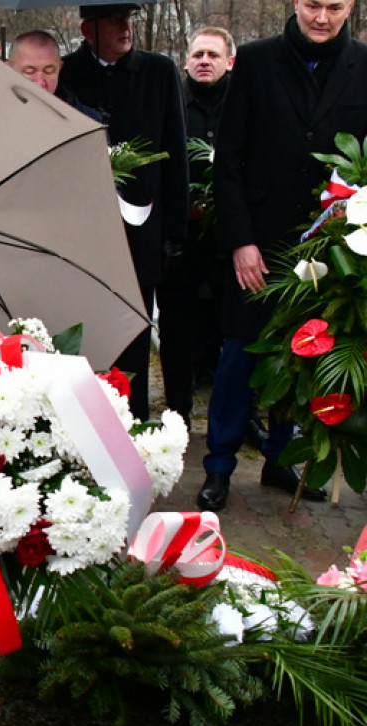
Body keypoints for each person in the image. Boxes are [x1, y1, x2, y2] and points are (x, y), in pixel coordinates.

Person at [197, 0, 367, 510]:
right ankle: (219, 467)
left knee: (305, 354)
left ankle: (279, 458)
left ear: (351, 6)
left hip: (327, 245)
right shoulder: (255, 59)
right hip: (259, 241)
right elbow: (228, 157)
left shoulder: (363, 65)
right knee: (236, 356)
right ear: (296, 2)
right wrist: (240, 242)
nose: (322, 17)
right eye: (313, 4)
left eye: (334, 6)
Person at [60, 3, 188, 421]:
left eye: (128, 19)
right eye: (113, 20)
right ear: (87, 28)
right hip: (82, 231)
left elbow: (176, 151)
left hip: (142, 228)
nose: (124, 27)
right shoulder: (67, 74)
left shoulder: (158, 71)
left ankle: (133, 420)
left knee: (134, 327)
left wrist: (175, 231)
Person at [158, 27, 235, 430]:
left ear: (229, 62)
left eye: (213, 55)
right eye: (198, 54)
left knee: (231, 328)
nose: (204, 61)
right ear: (186, 60)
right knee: (175, 328)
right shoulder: (173, 100)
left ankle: (236, 415)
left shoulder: (242, 102)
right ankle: (178, 410)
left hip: (228, 238)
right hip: (183, 235)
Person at [7, 30, 102, 120]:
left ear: (59, 68)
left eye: (49, 71)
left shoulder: (86, 121)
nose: (40, 82)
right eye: (30, 71)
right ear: (8, 68)